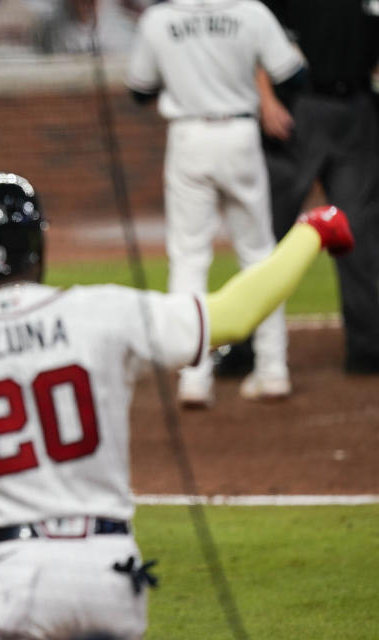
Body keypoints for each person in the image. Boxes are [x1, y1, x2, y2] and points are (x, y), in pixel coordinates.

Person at [0, 173, 354, 640]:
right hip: (106, 568)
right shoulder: (101, 312)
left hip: (7, 576)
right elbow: (233, 314)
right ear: (39, 245)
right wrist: (313, 231)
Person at [126, 0, 306, 407]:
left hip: (189, 136)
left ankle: (194, 379)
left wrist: (186, 74)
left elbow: (139, 89)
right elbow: (293, 75)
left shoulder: (160, 18)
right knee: (259, 255)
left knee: (189, 259)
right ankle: (273, 369)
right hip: (241, 133)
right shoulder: (250, 11)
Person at [215, 0, 379, 376]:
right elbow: (257, 42)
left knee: (360, 232)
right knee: (268, 231)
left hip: (358, 107)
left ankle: (368, 344)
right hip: (295, 108)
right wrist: (265, 100)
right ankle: (246, 343)